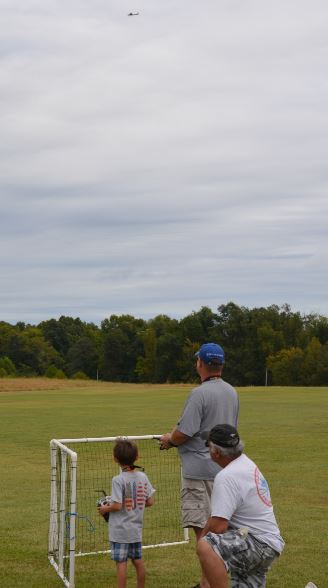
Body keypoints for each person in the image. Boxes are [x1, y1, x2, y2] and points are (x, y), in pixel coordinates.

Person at [160, 342, 239, 588]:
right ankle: (208, 582)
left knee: (203, 536)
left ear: (201, 364)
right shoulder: (232, 392)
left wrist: (169, 441)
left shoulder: (199, 394)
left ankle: (208, 584)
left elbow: (184, 432)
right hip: (224, 471)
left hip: (198, 471)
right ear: (221, 365)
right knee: (219, 532)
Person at [197, 424, 284, 588]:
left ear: (216, 452)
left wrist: (202, 546)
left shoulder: (227, 476)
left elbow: (218, 526)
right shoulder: (245, 463)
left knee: (206, 546)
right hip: (268, 542)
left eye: (208, 445)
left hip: (257, 543)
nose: (207, 448)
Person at [98, 439, 155, 588]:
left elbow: (117, 505)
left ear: (115, 459)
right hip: (135, 530)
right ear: (137, 457)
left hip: (120, 531)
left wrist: (105, 508)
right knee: (138, 561)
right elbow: (149, 502)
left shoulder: (118, 480)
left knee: (121, 564)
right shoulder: (143, 477)